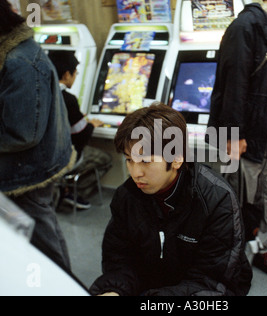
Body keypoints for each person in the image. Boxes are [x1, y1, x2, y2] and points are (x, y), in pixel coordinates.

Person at [89, 102, 252, 296]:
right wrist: (114, 289)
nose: (135, 172)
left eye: (145, 161)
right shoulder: (127, 196)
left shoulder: (217, 200)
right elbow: (119, 259)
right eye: (129, 159)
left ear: (177, 158)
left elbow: (212, 282)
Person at [0, 0, 76, 271]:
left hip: (27, 172)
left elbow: (22, 133)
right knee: (39, 239)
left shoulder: (19, 60)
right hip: (24, 166)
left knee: (45, 249)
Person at [207, 0, 267, 278]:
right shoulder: (243, 26)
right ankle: (229, 258)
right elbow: (231, 84)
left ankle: (260, 251)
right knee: (235, 201)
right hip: (245, 135)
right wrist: (232, 133)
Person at [48, 50, 109, 210]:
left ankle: (63, 189)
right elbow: (81, 135)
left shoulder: (42, 92)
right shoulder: (68, 99)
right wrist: (91, 124)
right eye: (75, 73)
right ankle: (69, 192)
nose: (75, 77)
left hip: (44, 156)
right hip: (64, 157)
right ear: (67, 75)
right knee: (105, 160)